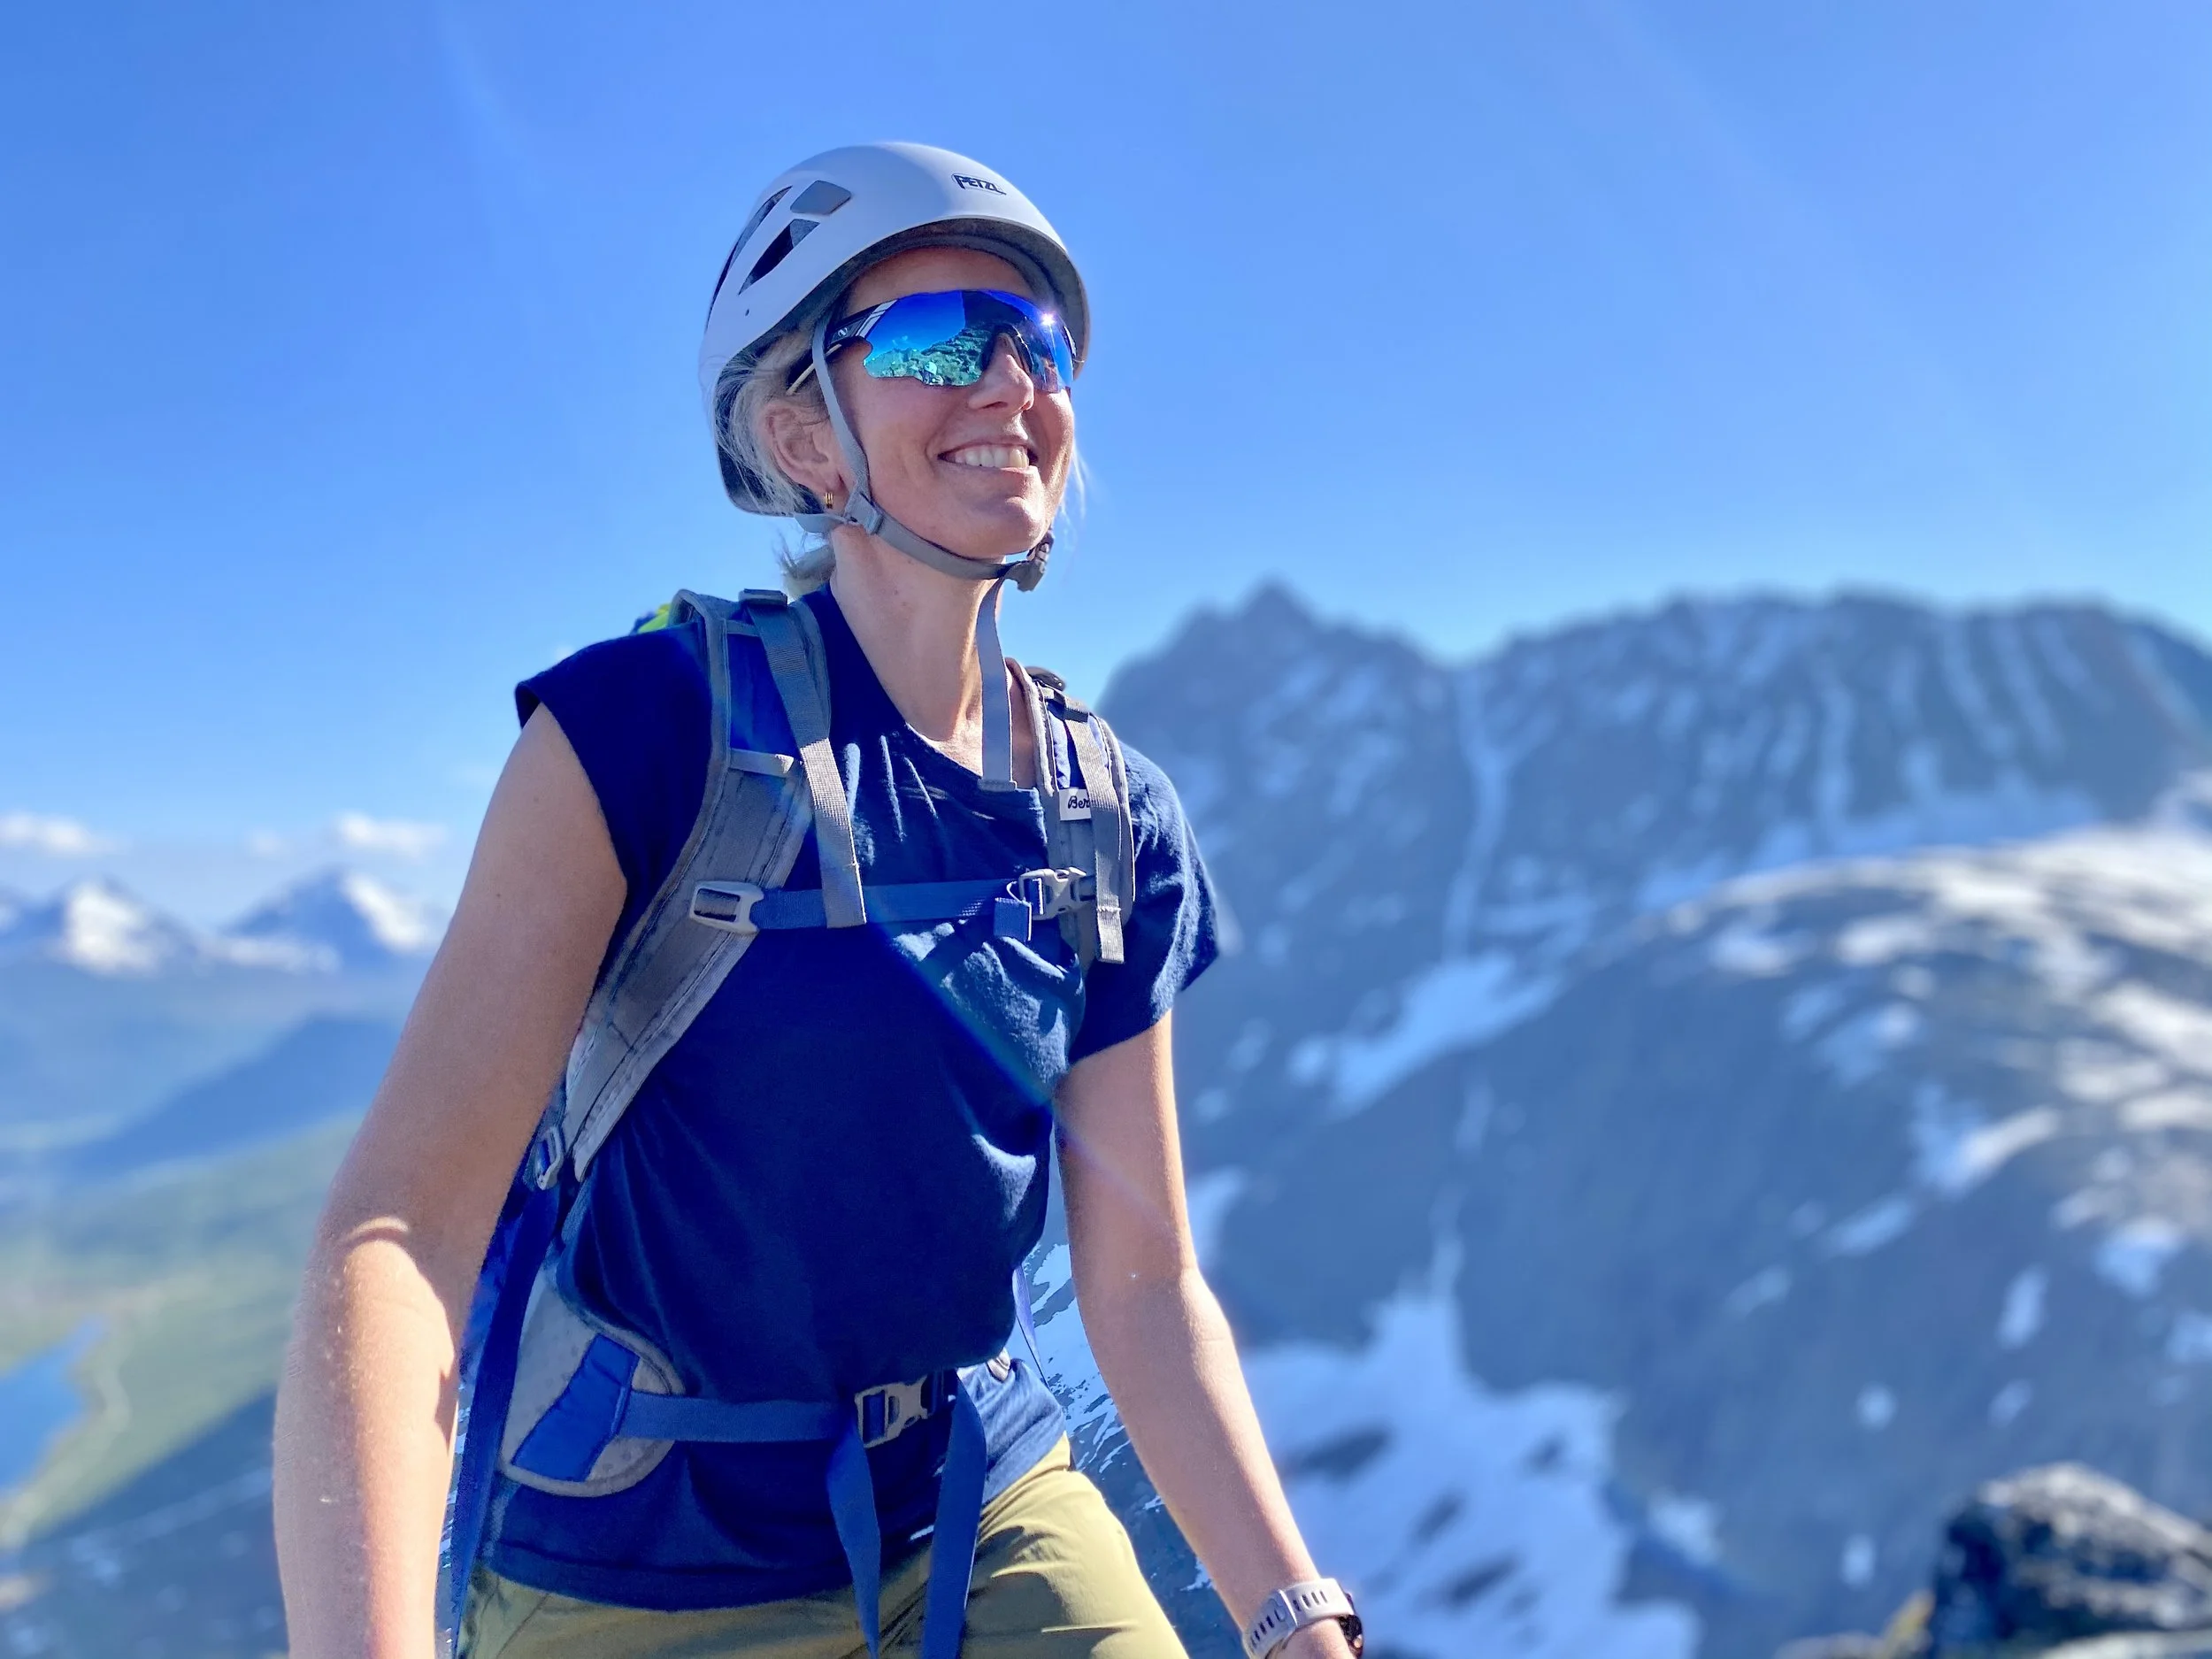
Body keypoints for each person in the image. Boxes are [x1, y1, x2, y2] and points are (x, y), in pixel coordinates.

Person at [273, 142, 1362, 1659]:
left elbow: (1146, 1282)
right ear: (804, 439)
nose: (1008, 381)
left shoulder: (1110, 817)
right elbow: (398, 1232)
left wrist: (1296, 1616)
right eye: (939, 340)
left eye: (1036, 342)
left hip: (987, 1503)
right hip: (643, 1558)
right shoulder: (645, 732)